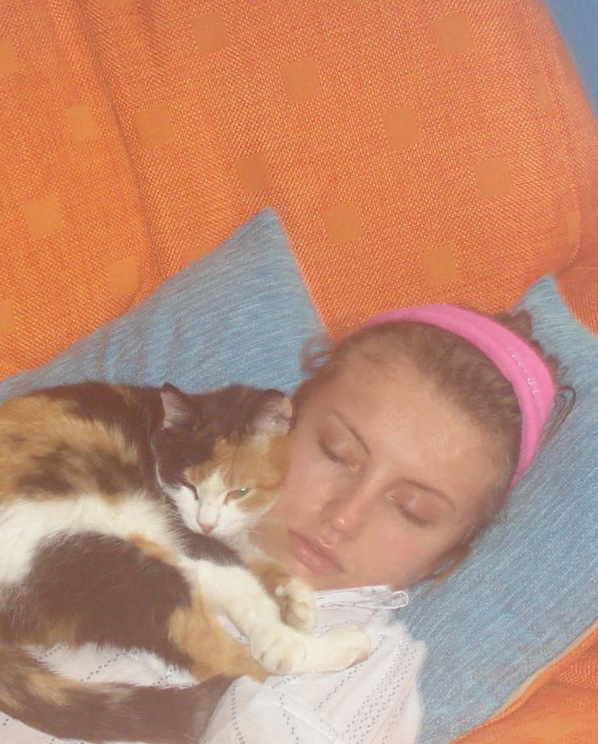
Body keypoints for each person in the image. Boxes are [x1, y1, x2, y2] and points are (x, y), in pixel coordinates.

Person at [2, 303, 572, 744]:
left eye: (411, 509)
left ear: (444, 558)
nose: (344, 515)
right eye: (336, 452)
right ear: (278, 423)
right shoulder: (146, 493)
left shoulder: (364, 671)